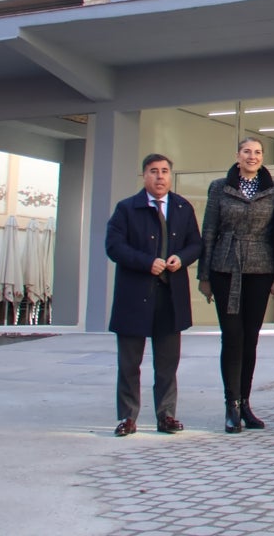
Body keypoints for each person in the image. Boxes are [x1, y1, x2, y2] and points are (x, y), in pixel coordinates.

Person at [106, 153, 202, 437]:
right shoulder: (126, 209)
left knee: (167, 364)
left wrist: (181, 258)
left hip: (170, 297)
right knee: (129, 363)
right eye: (153, 171)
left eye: (164, 171)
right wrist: (145, 261)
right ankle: (127, 417)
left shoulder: (183, 207)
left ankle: (166, 415)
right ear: (144, 176)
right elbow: (113, 247)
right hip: (134, 296)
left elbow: (196, 244)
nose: (159, 176)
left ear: (170, 176)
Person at [197, 136, 274, 434]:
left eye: (258, 152)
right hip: (225, 267)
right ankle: (230, 404)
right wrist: (205, 276)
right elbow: (209, 230)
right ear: (237, 156)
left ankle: (246, 403)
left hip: (260, 269)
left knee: (251, 338)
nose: (253, 156)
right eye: (247, 151)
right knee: (232, 336)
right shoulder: (219, 188)